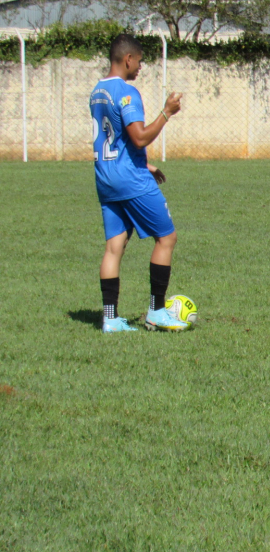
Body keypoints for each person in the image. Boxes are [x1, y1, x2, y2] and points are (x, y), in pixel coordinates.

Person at [90, 33, 189, 333]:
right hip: (131, 182)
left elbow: (112, 139)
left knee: (114, 247)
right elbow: (140, 136)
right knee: (166, 238)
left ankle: (110, 318)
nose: (141, 67)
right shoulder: (126, 92)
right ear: (128, 59)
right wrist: (166, 113)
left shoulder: (97, 91)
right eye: (140, 61)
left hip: (106, 178)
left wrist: (144, 162)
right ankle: (156, 312)